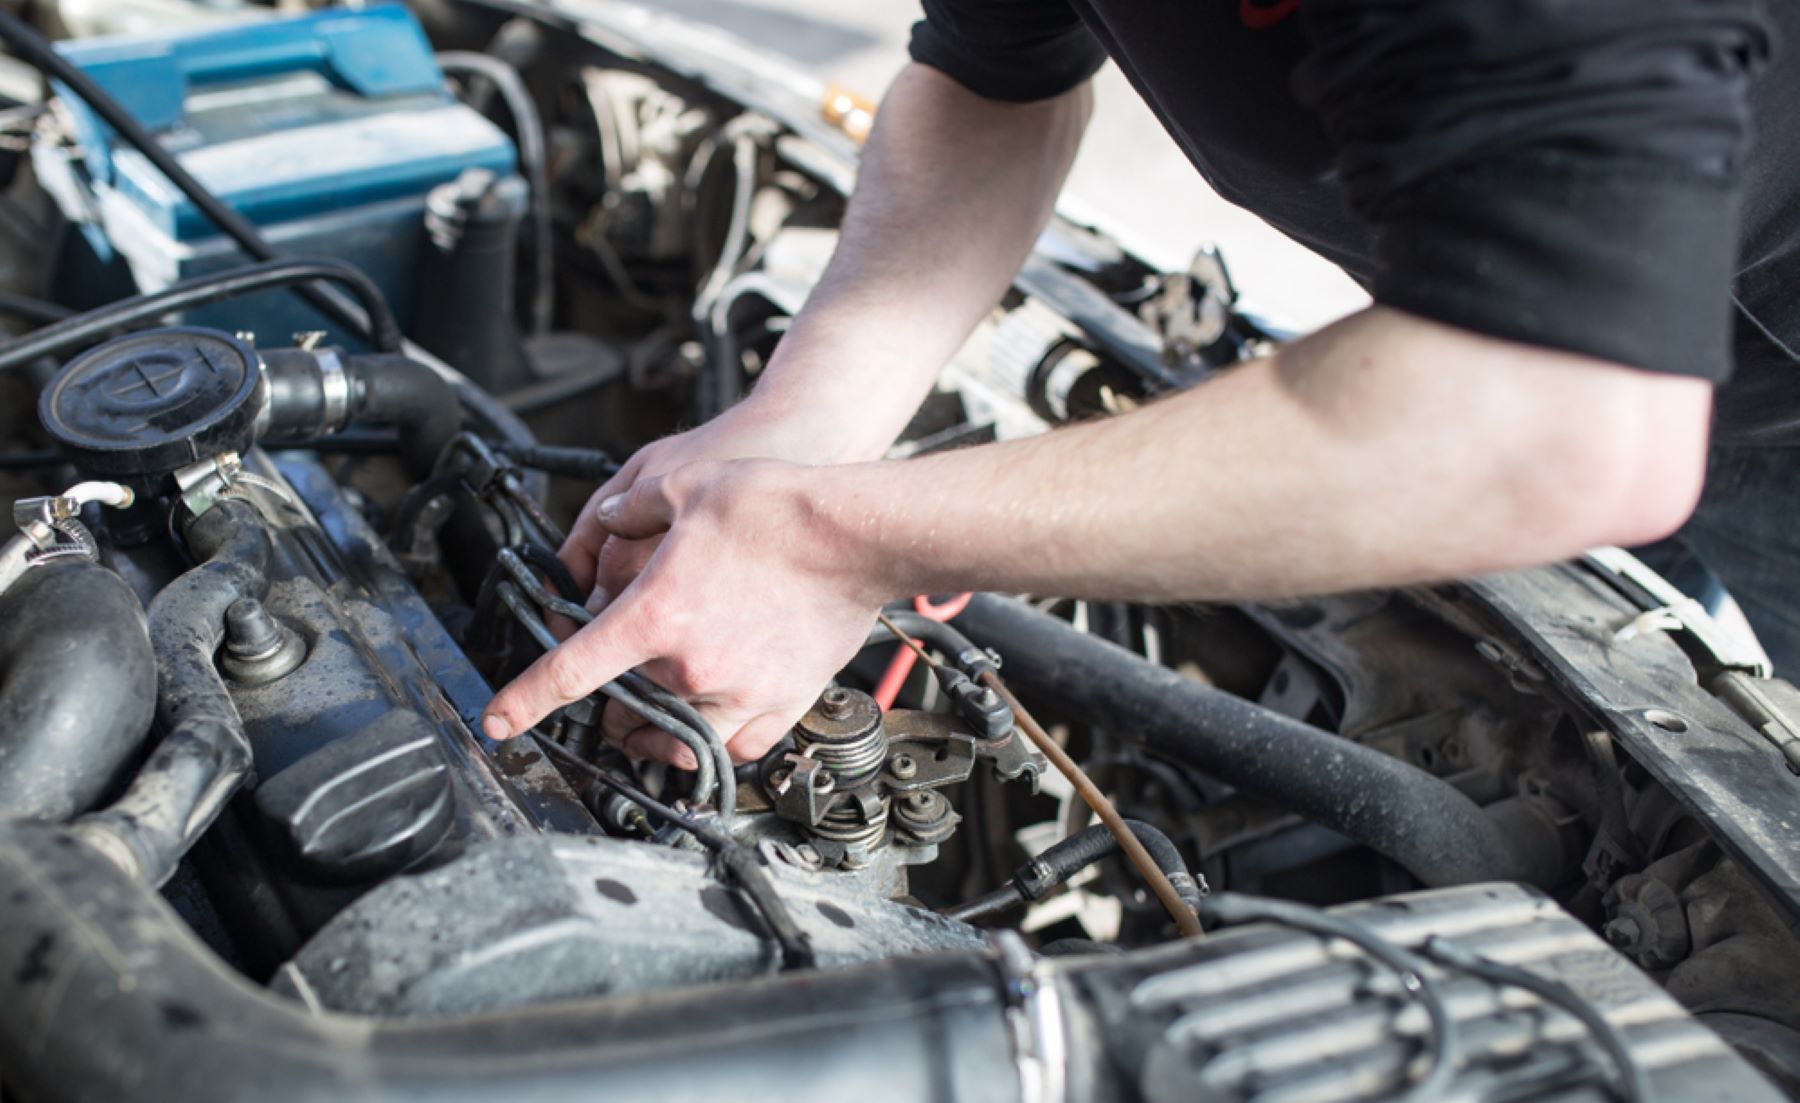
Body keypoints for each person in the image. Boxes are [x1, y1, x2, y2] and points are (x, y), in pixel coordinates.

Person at [483, 0, 1799, 768]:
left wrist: (838, 541)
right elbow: (996, 83)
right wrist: (802, 428)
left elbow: (1560, 411)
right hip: (1568, 348)